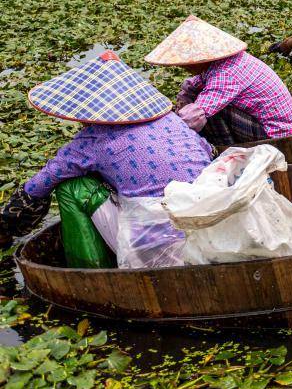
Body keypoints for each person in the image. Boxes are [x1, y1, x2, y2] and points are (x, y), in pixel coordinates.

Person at [0, 52, 213, 265]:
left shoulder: (93, 139)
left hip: (155, 248)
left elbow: (39, 185)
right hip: (211, 227)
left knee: (72, 187)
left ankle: (90, 272)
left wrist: (6, 227)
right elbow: (207, 151)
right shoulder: (172, 121)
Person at [146, 15, 292, 146]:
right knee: (201, 98)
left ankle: (223, 149)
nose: (184, 67)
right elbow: (192, 85)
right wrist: (180, 106)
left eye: (187, 63)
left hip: (277, 136)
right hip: (269, 125)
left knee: (209, 111)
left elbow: (195, 115)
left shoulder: (225, 74)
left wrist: (167, 135)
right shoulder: (223, 63)